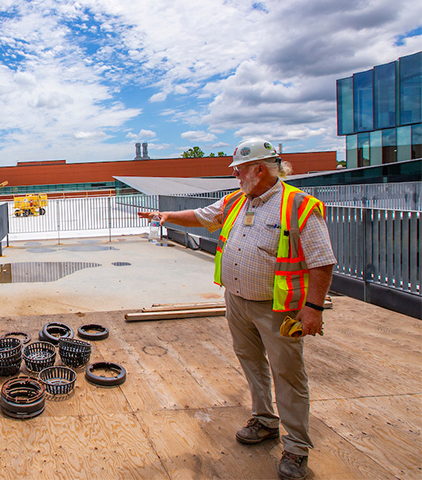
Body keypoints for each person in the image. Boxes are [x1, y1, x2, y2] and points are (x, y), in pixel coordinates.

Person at [138, 138, 336, 480]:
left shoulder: (299, 205)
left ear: (259, 169)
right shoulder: (236, 200)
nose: (235, 174)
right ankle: (264, 421)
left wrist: (313, 308)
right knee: (252, 364)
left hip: (278, 309)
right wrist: (165, 215)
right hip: (238, 301)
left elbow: (322, 262)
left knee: (288, 374)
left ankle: (297, 448)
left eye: (239, 169)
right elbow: (202, 217)